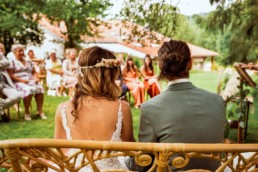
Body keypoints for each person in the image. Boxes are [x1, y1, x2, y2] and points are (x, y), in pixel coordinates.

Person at [126, 40, 226, 171]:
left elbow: (142, 163)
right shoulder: (218, 101)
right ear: (190, 64)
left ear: (161, 66)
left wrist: (126, 161)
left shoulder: (150, 108)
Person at [53, 46, 135, 171]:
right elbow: (131, 150)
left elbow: (61, 151)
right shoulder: (122, 108)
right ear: (111, 74)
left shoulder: (63, 109)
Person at [7, 44, 46, 121]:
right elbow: (10, 75)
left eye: (22, 51)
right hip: (18, 81)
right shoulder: (12, 62)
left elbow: (34, 72)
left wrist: (35, 77)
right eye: (19, 51)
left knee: (40, 88)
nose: (21, 52)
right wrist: (22, 80)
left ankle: (40, 111)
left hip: (30, 80)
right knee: (28, 90)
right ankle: (27, 112)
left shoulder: (28, 61)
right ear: (14, 52)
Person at [0, 43, 22, 122]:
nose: (0, 51)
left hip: (4, 84)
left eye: (1, 49)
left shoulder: (2, 56)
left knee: (17, 96)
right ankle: (2, 113)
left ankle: (0, 108)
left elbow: (8, 63)